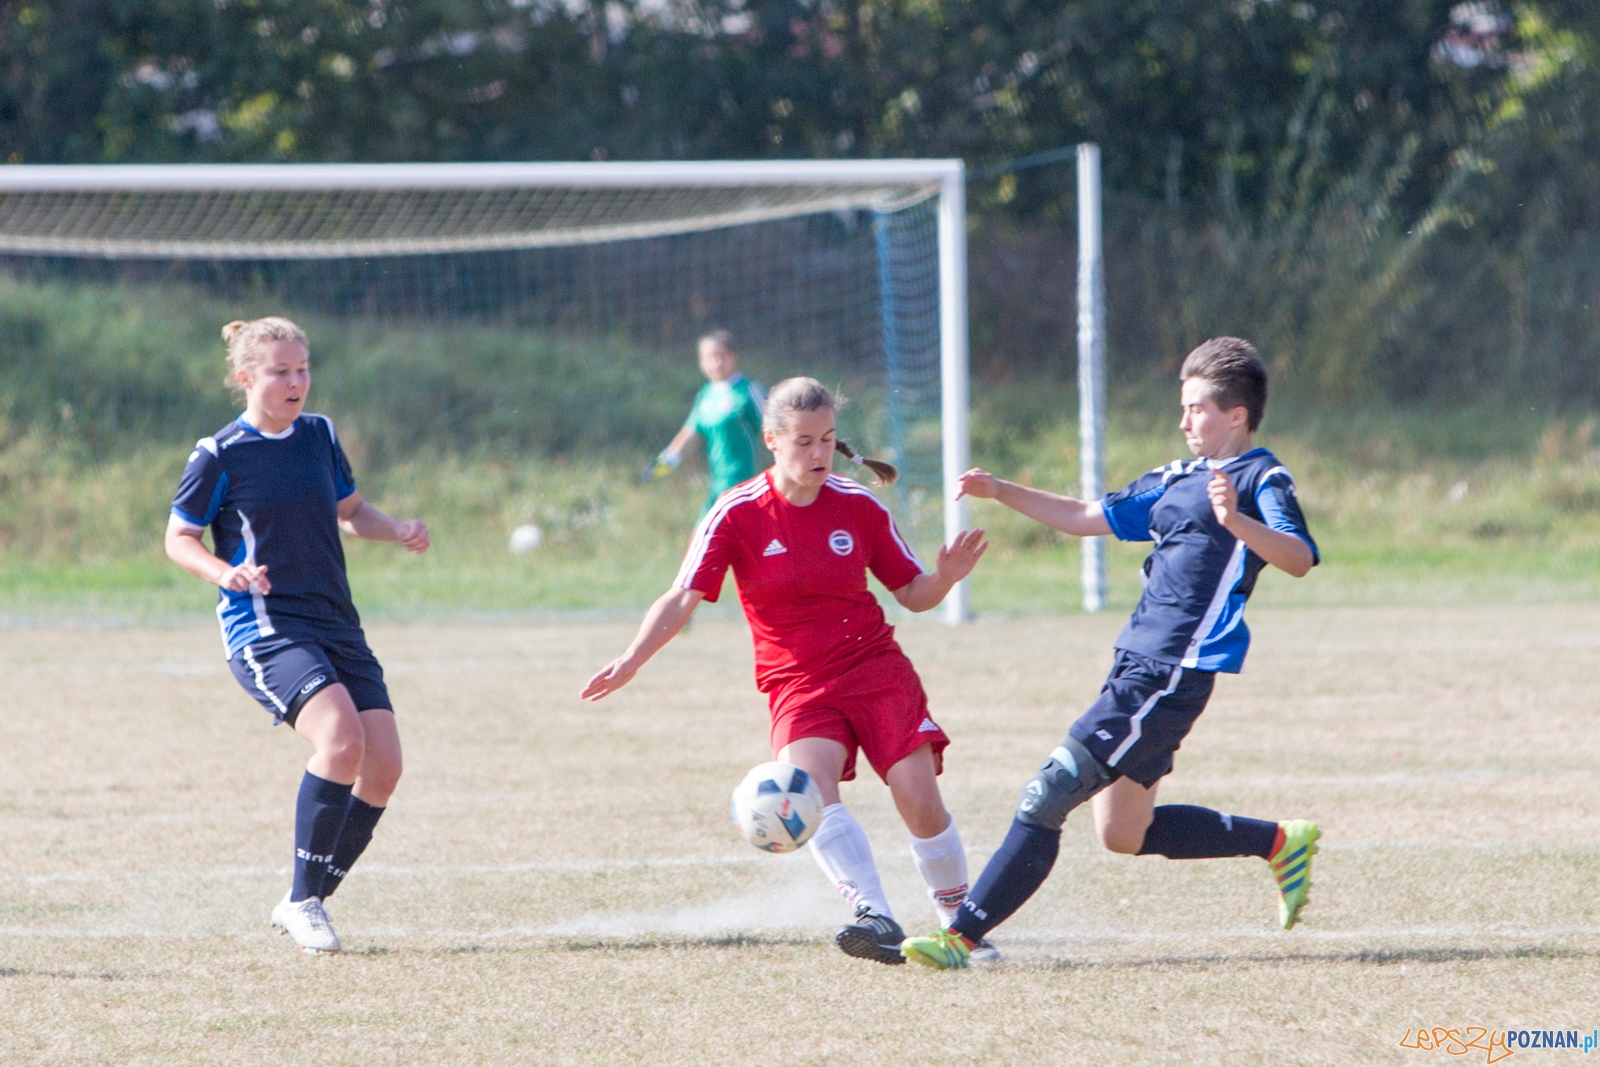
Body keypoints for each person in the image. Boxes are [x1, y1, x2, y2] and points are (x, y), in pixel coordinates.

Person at [902, 337, 1321, 969]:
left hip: (1173, 670)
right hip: (1136, 662)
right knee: (1123, 833)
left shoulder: (1262, 478)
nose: (1184, 422)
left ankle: (960, 937)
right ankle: (1279, 842)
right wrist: (999, 489)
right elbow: (1081, 515)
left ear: (1237, 414)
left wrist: (1237, 522)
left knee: (1047, 793)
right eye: (1182, 408)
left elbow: (1299, 558)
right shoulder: (1177, 478)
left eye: (1197, 408)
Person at [584, 377, 990, 964]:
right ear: (772, 441)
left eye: (827, 439)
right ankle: (874, 916)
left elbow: (914, 594)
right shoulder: (738, 512)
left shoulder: (859, 505)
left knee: (918, 798)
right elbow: (681, 597)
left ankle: (961, 927)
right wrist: (632, 658)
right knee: (809, 791)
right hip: (797, 684)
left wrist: (947, 577)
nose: (818, 454)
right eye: (803, 441)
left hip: (874, 668)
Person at [165, 316, 430, 955]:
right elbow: (179, 538)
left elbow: (351, 512)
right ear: (245, 377)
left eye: (303, 369)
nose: (296, 382)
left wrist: (395, 528)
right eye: (281, 371)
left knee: (385, 766)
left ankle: (301, 897)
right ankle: (306, 901)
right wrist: (226, 573)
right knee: (341, 740)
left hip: (336, 619)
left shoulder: (319, 434)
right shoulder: (220, 453)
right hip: (265, 626)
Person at [646, 330, 768, 513]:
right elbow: (689, 432)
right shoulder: (705, 395)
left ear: (733, 356)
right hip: (717, 487)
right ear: (700, 362)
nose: (716, 363)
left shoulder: (749, 390)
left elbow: (775, 429)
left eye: (721, 356)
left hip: (744, 488)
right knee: (701, 538)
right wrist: (664, 462)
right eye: (709, 358)